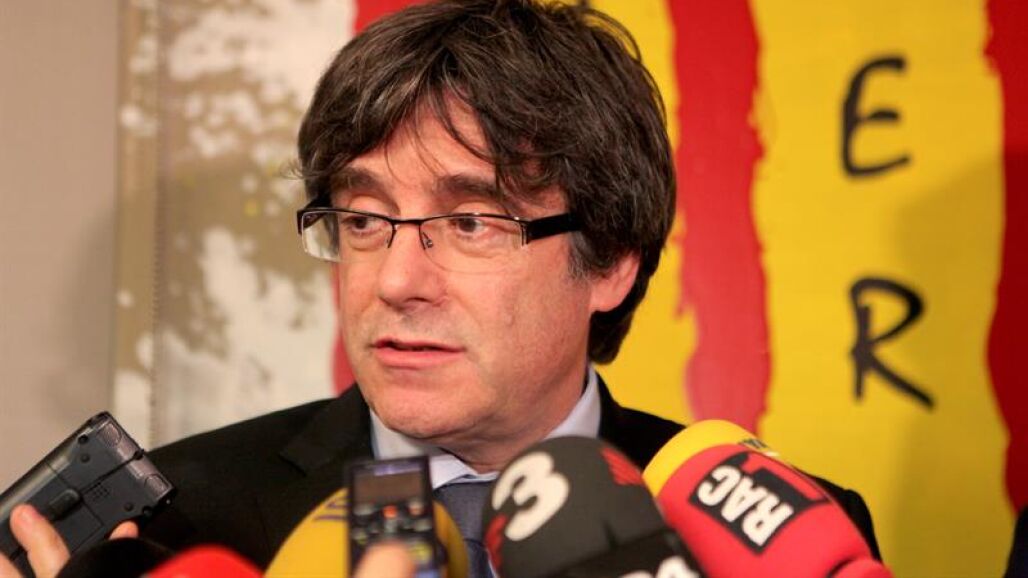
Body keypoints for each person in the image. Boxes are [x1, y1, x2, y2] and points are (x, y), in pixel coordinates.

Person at [0, 1, 880, 577]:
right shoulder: (184, 524)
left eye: (469, 223)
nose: (394, 280)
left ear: (612, 259)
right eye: (363, 219)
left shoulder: (785, 542)